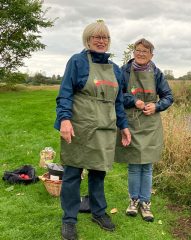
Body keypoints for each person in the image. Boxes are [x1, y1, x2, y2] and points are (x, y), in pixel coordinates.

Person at [54, 20, 131, 240]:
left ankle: (98, 212)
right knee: (72, 173)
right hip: (80, 125)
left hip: (105, 127)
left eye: (104, 37)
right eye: (96, 37)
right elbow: (65, 93)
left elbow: (118, 102)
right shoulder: (77, 61)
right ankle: (69, 219)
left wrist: (123, 126)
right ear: (87, 40)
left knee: (98, 172)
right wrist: (65, 120)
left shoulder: (115, 69)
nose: (101, 41)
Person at [115, 38, 173, 222]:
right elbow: (118, 95)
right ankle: (133, 201)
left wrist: (156, 106)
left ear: (151, 55)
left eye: (145, 51)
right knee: (133, 165)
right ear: (134, 52)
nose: (141, 54)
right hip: (131, 122)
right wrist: (135, 101)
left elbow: (168, 96)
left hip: (150, 124)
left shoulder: (156, 73)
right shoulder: (123, 71)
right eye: (138, 50)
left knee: (147, 166)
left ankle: (146, 203)